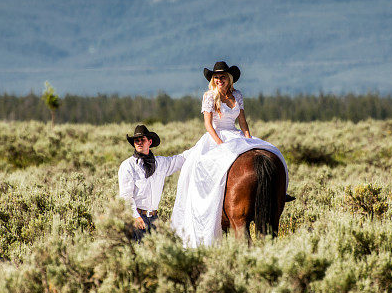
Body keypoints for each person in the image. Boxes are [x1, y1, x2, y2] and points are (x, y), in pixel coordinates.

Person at [171, 61, 288, 248]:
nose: (219, 80)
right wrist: (219, 144)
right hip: (216, 136)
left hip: (236, 135)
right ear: (213, 79)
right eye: (216, 77)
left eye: (223, 76)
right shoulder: (209, 96)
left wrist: (249, 139)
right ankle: (205, 202)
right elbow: (208, 125)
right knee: (198, 166)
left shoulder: (237, 95)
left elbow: (242, 121)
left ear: (229, 78)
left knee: (269, 151)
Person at [118, 124, 187, 241]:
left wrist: (202, 146)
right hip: (138, 218)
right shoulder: (128, 166)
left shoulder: (160, 163)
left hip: (155, 218)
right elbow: (126, 196)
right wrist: (135, 217)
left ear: (149, 142)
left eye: (142, 140)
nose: (139, 142)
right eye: (136, 140)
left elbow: (180, 159)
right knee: (138, 254)